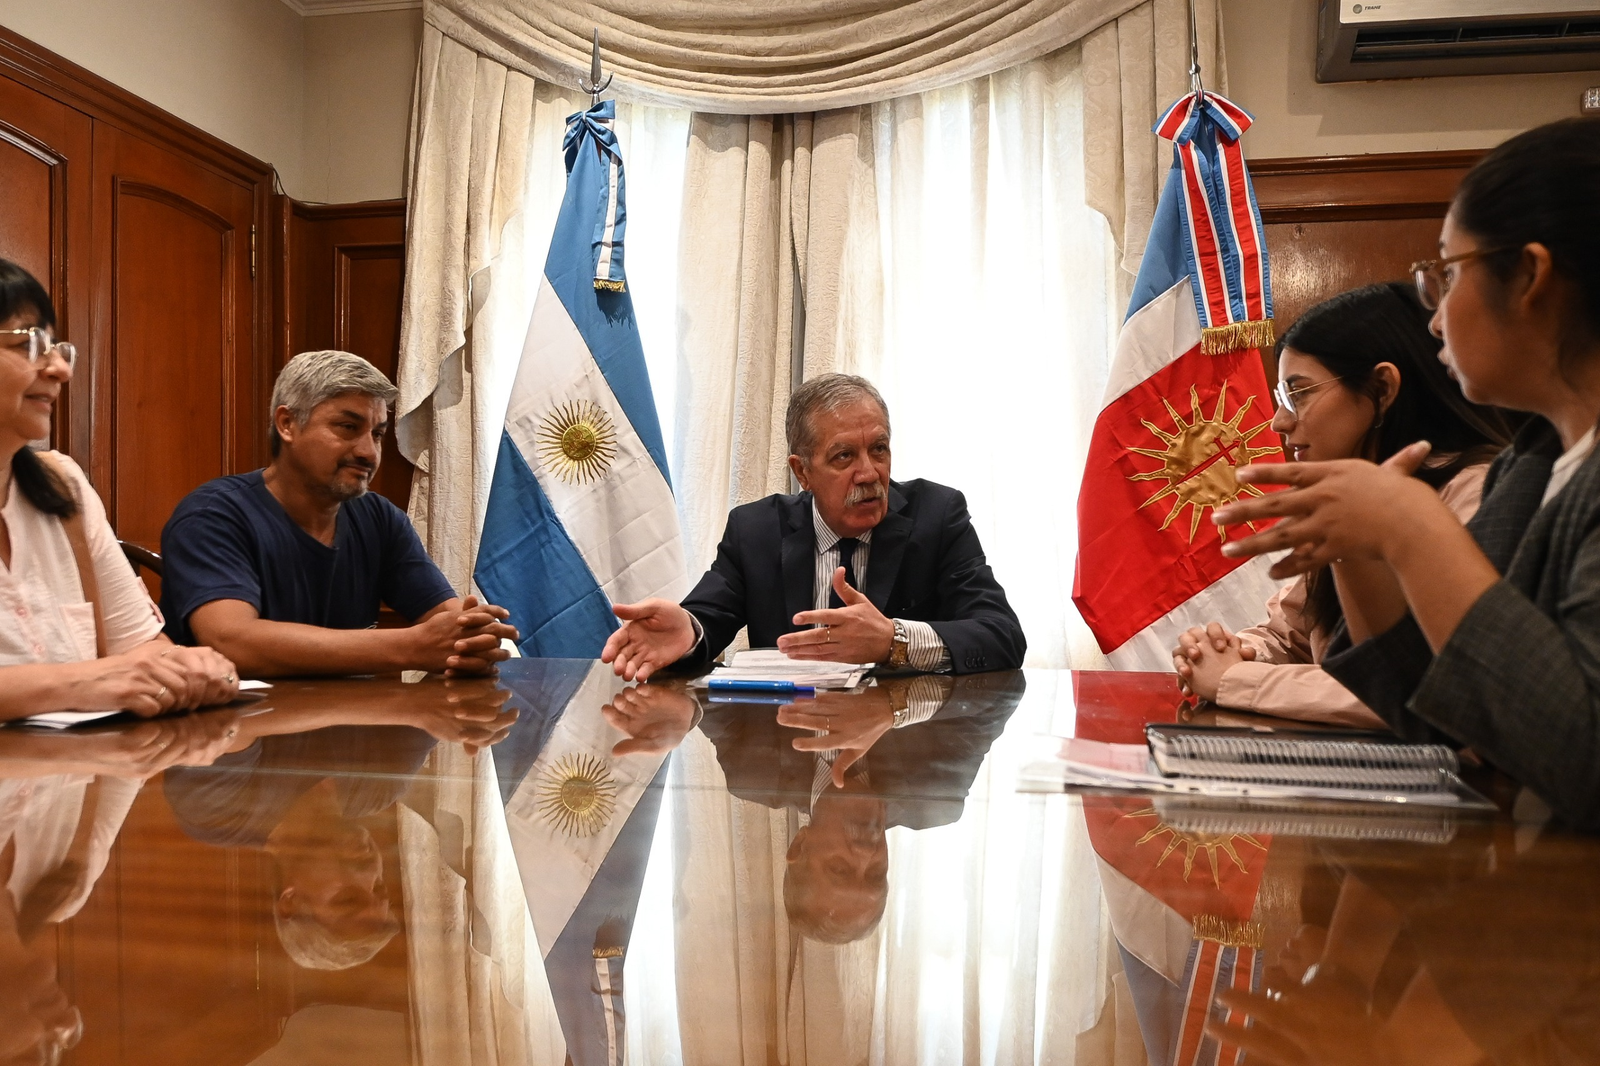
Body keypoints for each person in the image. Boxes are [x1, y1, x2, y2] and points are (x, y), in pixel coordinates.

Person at [1212, 117, 1600, 830]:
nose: (1435, 320)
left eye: (1448, 274)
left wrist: (1410, 524)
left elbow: (1583, 759)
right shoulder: (1532, 462)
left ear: (1531, 278)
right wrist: (1355, 545)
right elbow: (1432, 714)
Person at [1171, 284, 1512, 728]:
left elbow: (1420, 691)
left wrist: (1236, 679)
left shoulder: (1479, 491)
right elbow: (1288, 634)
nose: (1279, 421)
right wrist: (1229, 652)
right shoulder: (1347, 494)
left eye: (1300, 393)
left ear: (1382, 389)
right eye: (1282, 398)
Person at [601, 374, 1026, 680]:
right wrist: (689, 631)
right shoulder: (756, 530)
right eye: (844, 456)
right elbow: (708, 618)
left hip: (902, 749)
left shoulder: (937, 515)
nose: (869, 473)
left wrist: (894, 640)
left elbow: (1002, 635)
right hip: (789, 747)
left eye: (879, 449)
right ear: (802, 472)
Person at [160, 350, 519, 678]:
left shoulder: (380, 518)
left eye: (377, 434)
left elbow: (449, 622)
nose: (368, 452)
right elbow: (231, 642)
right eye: (348, 428)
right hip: (234, 725)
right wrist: (410, 647)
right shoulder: (212, 515)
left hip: (354, 721)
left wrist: (471, 640)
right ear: (287, 424)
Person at [0, 258, 239, 721]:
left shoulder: (63, 486)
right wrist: (82, 682)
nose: (60, 370)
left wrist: (187, 666)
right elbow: (106, 675)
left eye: (57, 348)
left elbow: (140, 647)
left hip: (83, 765)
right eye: (30, 344)